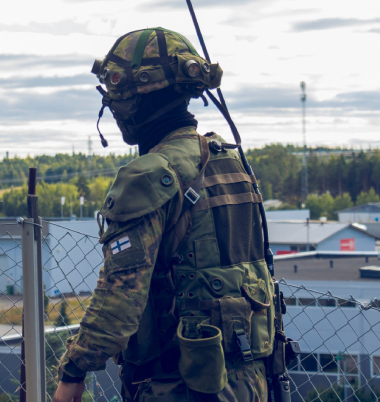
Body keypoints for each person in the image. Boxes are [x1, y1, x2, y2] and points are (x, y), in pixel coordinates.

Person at [54, 28, 274, 402]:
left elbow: (120, 300)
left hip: (179, 385)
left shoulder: (147, 176)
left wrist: (73, 371)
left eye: (117, 99)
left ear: (133, 101)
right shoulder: (232, 162)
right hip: (251, 383)